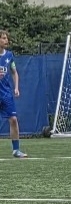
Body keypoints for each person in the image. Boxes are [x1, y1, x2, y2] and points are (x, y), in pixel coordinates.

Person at [0, 30, 27, 158]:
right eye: (3, 38)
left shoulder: (9, 55)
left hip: (6, 94)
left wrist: (16, 88)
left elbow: (14, 72)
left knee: (14, 119)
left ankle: (16, 150)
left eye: (6, 38)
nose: (6, 40)